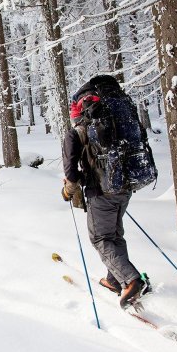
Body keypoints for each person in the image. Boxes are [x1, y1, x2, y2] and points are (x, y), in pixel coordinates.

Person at [61, 86, 147, 310]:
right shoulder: (113, 124)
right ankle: (114, 279)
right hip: (125, 187)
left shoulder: (77, 132)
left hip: (102, 192)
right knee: (115, 236)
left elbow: (71, 174)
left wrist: (68, 191)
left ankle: (131, 280)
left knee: (100, 238)